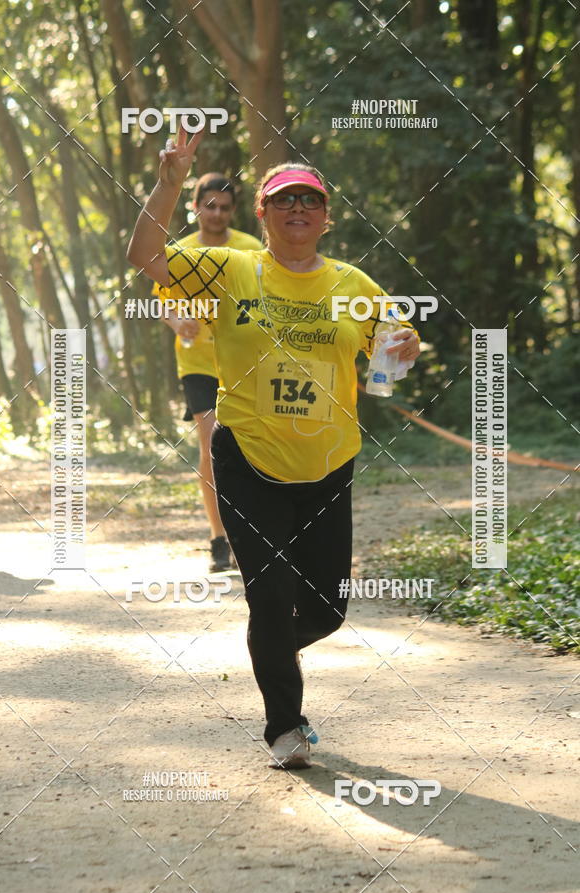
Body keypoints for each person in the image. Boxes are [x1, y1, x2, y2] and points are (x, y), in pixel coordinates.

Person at [128, 127, 421, 769]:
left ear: (326, 218)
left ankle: (270, 647)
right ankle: (285, 727)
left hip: (327, 463)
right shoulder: (231, 268)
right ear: (260, 214)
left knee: (326, 608)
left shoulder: (355, 284)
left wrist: (404, 349)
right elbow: (144, 253)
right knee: (269, 592)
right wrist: (171, 180)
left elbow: (392, 349)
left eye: (308, 202)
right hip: (248, 458)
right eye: (283, 200)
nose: (297, 210)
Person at [157, 173, 261, 572]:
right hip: (199, 364)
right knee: (211, 449)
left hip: (246, 363)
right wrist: (177, 322)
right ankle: (220, 538)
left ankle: (248, 534)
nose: (216, 214)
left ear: (233, 211)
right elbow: (162, 304)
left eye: (224, 207)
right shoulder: (179, 252)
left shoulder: (251, 250)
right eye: (209, 206)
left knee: (250, 451)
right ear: (195, 207)